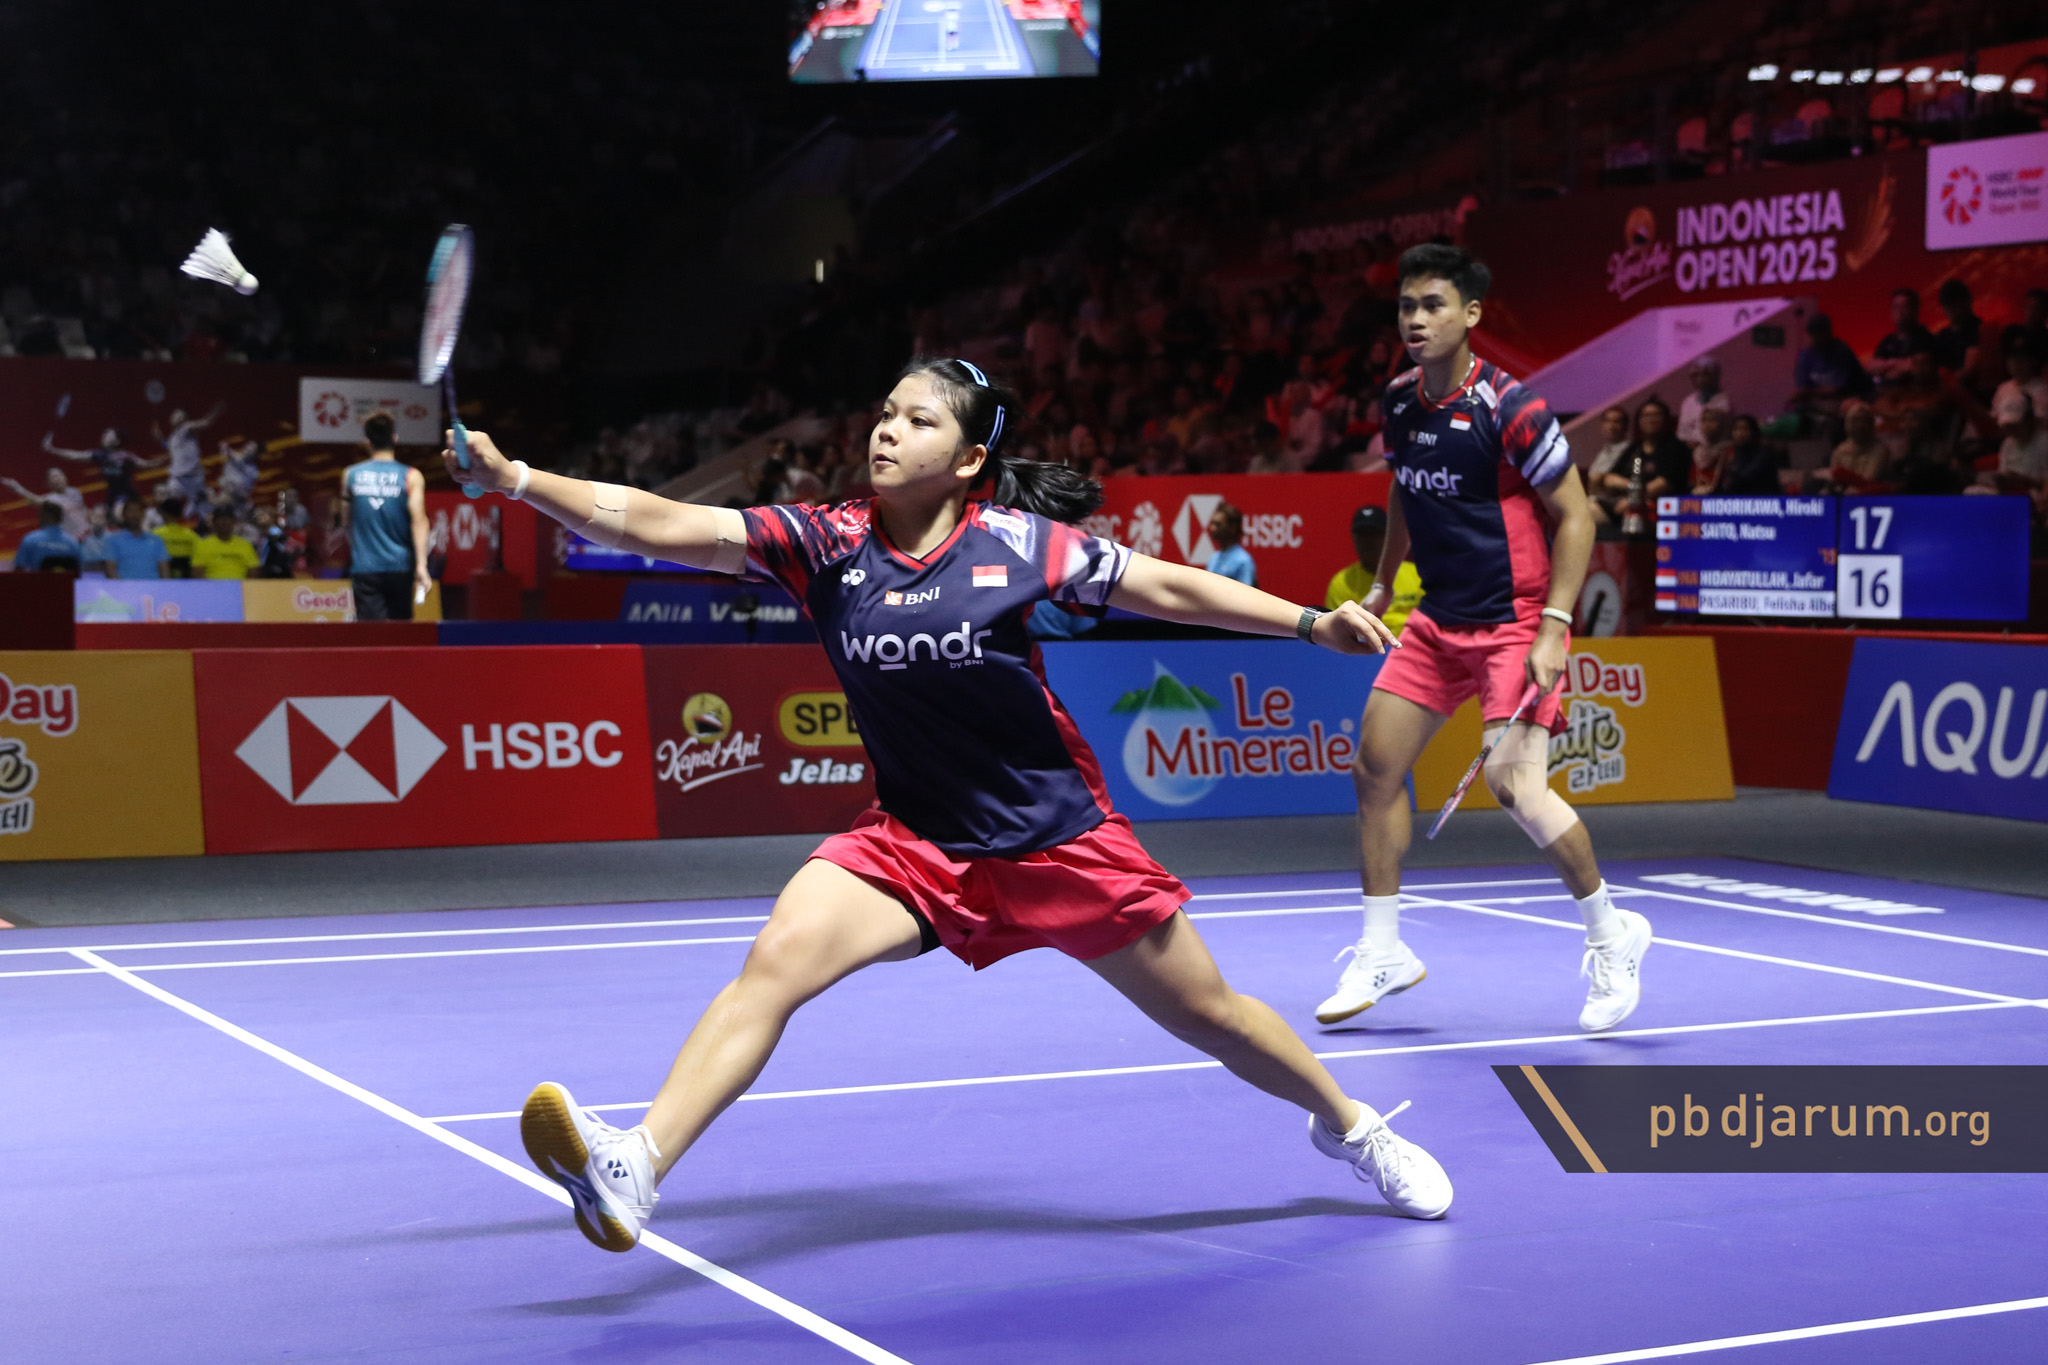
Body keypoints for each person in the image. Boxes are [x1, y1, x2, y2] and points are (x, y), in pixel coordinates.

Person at [447, 356, 1452, 1252]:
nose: (887, 430)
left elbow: (1169, 589)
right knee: (776, 960)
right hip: (915, 843)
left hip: (1057, 843)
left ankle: (1354, 1129)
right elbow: (661, 523)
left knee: (1214, 1016)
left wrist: (1309, 623)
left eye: (918, 420)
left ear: (968, 459)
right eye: (886, 412)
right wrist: (518, 480)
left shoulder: (1017, 545)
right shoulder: (825, 542)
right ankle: (637, 1164)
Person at [1322, 243, 1649, 1036]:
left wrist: (1555, 627)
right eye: (1407, 306)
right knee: (1374, 766)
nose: (1416, 320)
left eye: (1433, 305)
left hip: (1516, 620)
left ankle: (1613, 934)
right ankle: (1382, 950)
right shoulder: (1400, 402)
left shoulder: (1512, 408)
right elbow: (1404, 489)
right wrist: (1381, 584)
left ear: (1470, 314)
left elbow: (1577, 516)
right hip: (1439, 619)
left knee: (1516, 786)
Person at [340, 412, 431, 619]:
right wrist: (422, 565)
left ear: (367, 441)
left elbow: (346, 522)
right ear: (394, 438)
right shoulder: (411, 476)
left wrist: (361, 549)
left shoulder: (350, 475)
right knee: (399, 633)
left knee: (372, 635)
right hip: (400, 567)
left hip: (365, 568)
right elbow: (419, 520)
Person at [1324, 505, 1424, 632]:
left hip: (1412, 640)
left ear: (1388, 535)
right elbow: (1339, 631)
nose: (1368, 541)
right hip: (1366, 642)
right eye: (1362, 534)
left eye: (1374, 533)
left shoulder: (1417, 574)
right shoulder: (1342, 582)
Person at [43, 428, 157, 511]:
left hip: (128, 495)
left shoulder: (126, 456)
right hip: (112, 496)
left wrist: (159, 461)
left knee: (119, 513)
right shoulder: (99, 455)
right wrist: (53, 449)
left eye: (109, 435)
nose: (105, 436)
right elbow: (75, 455)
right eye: (105, 434)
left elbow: (145, 464)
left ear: (117, 441)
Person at [154, 403, 222, 515]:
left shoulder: (187, 427)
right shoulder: (172, 438)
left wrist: (215, 412)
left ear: (185, 419)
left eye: (181, 416)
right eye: (175, 415)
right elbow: (169, 447)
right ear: (171, 419)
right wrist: (160, 438)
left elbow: (205, 422)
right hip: (177, 478)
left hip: (194, 478)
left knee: (203, 509)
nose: (178, 417)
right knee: (164, 497)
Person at [1867, 288, 1935, 389]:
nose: (1900, 312)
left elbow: (1919, 368)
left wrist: (1885, 366)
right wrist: (1899, 364)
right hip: (1887, 394)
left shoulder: (1926, 338)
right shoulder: (1887, 341)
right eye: (1895, 307)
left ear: (1915, 309)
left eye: (1904, 307)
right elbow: (1870, 367)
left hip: (1915, 395)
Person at [1825, 400, 1894, 492]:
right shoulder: (1840, 450)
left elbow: (1869, 479)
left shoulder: (1881, 451)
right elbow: (1833, 479)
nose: (1859, 425)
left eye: (1864, 420)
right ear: (1846, 424)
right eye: (1855, 420)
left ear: (1871, 423)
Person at [2, 468, 89, 540]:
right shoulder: (51, 499)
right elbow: (35, 500)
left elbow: (84, 511)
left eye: (59, 475)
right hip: (71, 540)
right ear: (48, 483)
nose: (57, 479)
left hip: (88, 535)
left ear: (65, 477)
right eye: (53, 477)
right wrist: (17, 487)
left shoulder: (75, 492)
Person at [1584, 405, 1633, 524]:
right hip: (1597, 500)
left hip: (1618, 503)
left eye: (1616, 422)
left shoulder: (1631, 450)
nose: (1611, 426)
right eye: (1608, 421)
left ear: (1625, 426)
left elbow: (1602, 480)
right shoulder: (1604, 451)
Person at [101, 498, 170, 579]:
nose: (134, 514)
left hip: (153, 587)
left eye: (138, 510)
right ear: (123, 514)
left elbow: (164, 571)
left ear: (143, 514)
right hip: (123, 587)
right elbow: (111, 571)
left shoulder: (157, 541)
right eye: (130, 510)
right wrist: (123, 587)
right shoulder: (113, 541)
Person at [1719, 415, 1788, 495]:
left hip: (1762, 499)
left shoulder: (1764, 454)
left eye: (1745, 429)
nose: (1739, 434)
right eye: (1736, 429)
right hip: (1737, 499)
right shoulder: (1730, 452)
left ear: (1754, 432)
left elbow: (1742, 479)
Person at [1675, 355, 1731, 446]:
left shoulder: (1726, 400)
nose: (1700, 379)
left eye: (1705, 374)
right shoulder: (1688, 402)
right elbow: (1683, 432)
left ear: (1716, 375)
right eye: (1696, 375)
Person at [191, 507, 259, 579]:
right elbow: (197, 572)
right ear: (214, 522)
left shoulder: (246, 545)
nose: (224, 522)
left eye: (227, 519)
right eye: (220, 519)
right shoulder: (202, 545)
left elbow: (253, 571)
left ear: (234, 522)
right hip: (211, 585)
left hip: (240, 584)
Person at [11, 502, 81, 572]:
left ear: (43, 516)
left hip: (38, 579)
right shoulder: (73, 543)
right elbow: (81, 569)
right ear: (60, 518)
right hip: (67, 579)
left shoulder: (30, 540)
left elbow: (19, 570)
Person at [1204, 502, 1257, 585]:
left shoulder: (1243, 561)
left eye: (1218, 525)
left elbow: (1245, 591)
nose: (1212, 528)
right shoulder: (1213, 558)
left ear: (1232, 528)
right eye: (1212, 523)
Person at [1688, 405, 1734, 494]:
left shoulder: (1731, 450)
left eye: (1712, 420)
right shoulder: (1698, 452)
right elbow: (1692, 482)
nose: (1707, 425)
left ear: (1723, 424)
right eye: (1704, 420)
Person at [152, 495, 199, 577]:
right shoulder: (192, 535)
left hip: (162, 577)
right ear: (181, 514)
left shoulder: (155, 535)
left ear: (163, 513)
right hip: (187, 579)